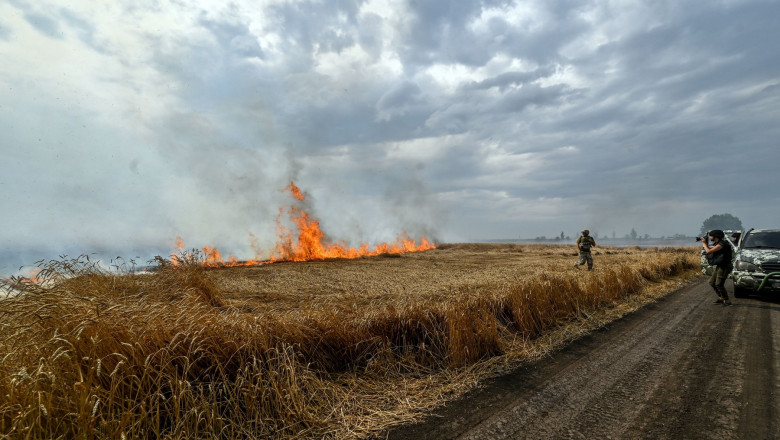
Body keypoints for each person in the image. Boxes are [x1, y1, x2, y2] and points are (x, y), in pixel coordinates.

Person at [701, 229, 733, 306]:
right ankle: (721, 297)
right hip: (720, 265)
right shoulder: (718, 243)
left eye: (711, 236)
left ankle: (727, 301)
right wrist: (706, 244)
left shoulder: (722, 244)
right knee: (712, 282)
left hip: (725, 266)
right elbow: (710, 248)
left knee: (719, 284)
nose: (710, 237)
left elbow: (708, 251)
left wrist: (704, 243)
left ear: (716, 236)